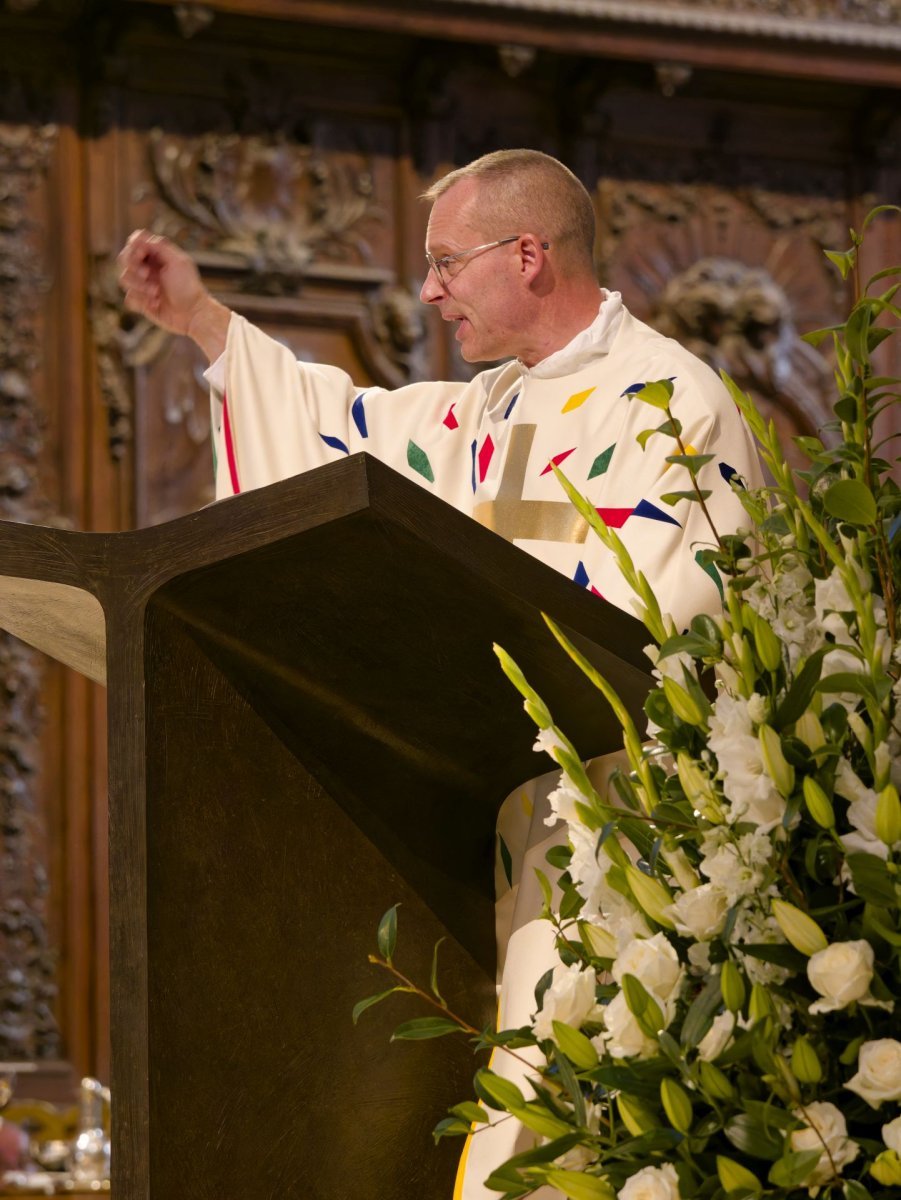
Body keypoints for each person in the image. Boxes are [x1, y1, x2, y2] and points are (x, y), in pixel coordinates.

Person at [119, 149, 764, 1199]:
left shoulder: (669, 406)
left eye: (444, 264)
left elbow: (658, 637)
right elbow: (342, 441)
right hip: (500, 830)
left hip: (629, 839)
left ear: (528, 255)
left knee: (569, 1138)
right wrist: (202, 322)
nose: (428, 291)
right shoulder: (488, 411)